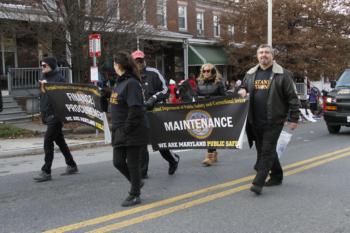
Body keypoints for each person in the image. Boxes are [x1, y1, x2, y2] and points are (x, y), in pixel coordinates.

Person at [238, 44, 300, 195]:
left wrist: (294, 118)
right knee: (264, 149)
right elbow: (243, 88)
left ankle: (258, 183)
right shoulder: (250, 73)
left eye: (266, 52)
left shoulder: (283, 74)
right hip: (255, 120)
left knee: (266, 151)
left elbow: (293, 98)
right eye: (261, 53)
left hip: (274, 120)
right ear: (257, 56)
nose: (263, 55)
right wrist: (242, 90)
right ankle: (277, 175)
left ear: (272, 56)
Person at [105, 51, 149, 207]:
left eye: (114, 64)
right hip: (119, 129)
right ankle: (136, 182)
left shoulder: (132, 83)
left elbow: (135, 109)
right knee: (117, 162)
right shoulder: (119, 83)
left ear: (119, 65)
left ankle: (135, 194)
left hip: (132, 129)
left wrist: (127, 128)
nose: (114, 66)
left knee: (132, 163)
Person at [131, 50, 180, 178]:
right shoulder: (130, 76)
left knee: (160, 143)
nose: (139, 63)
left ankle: (173, 160)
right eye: (136, 61)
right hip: (139, 113)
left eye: (141, 60)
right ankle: (143, 172)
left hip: (155, 112)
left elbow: (166, 90)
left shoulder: (154, 73)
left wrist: (153, 98)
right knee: (142, 143)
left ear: (144, 60)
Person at [33, 56, 78, 182]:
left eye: (44, 65)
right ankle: (72, 165)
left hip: (56, 115)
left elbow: (64, 97)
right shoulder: (43, 78)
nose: (42, 68)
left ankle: (46, 171)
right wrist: (43, 113)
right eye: (41, 65)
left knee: (48, 141)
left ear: (51, 66)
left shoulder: (59, 78)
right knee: (60, 141)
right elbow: (43, 96)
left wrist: (52, 87)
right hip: (47, 114)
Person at [196, 63, 226, 166]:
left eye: (208, 71)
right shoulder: (199, 83)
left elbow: (224, 97)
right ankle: (213, 153)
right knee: (207, 133)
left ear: (213, 71)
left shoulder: (219, 83)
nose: (206, 73)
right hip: (204, 112)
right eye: (204, 71)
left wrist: (212, 99)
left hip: (216, 111)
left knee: (212, 133)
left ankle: (209, 155)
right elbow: (196, 97)